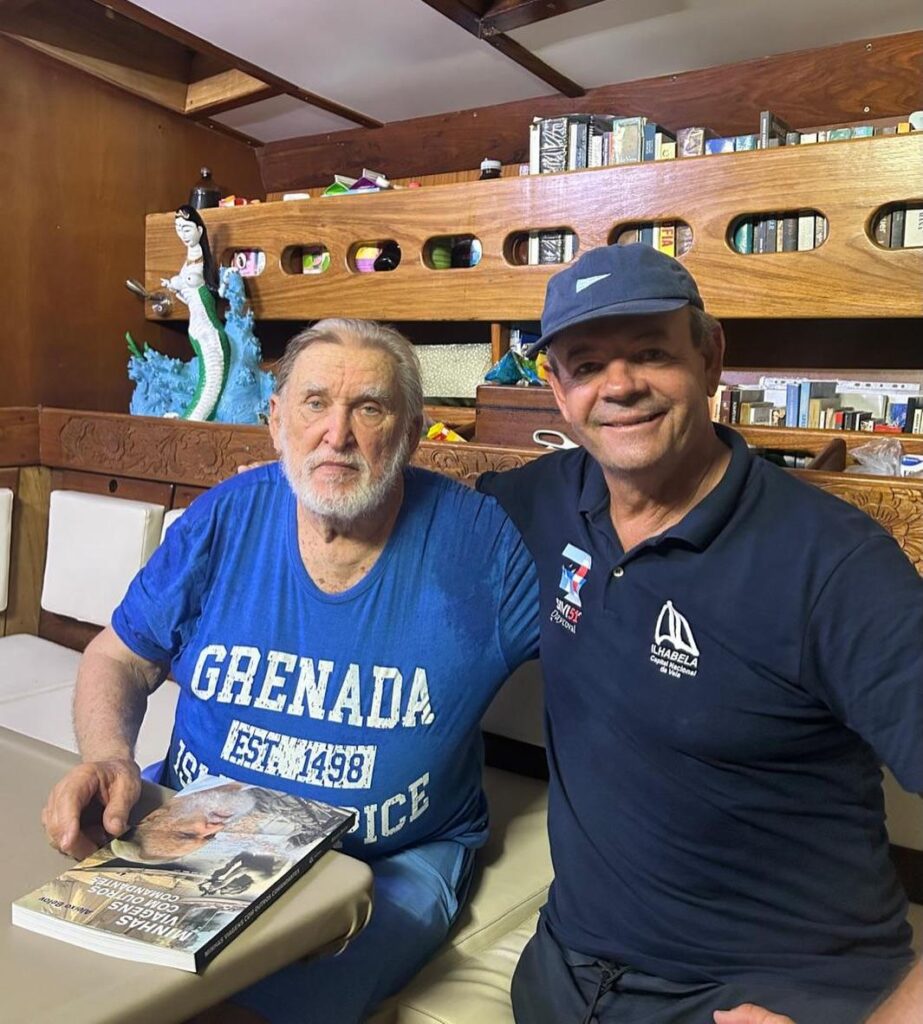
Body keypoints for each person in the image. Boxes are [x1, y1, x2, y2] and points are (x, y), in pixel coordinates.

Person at [42, 317, 538, 1024]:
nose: (337, 434)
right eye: (314, 403)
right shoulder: (225, 518)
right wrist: (108, 756)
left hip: (379, 861)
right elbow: (118, 656)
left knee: (240, 1008)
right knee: (67, 971)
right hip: (191, 822)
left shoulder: (481, 545)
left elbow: (614, 659)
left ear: (411, 433)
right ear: (276, 422)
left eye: (369, 408)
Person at [478, 243, 923, 1024]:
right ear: (556, 388)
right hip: (563, 972)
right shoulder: (542, 499)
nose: (619, 385)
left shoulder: (834, 564)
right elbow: (390, 510)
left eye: (650, 352)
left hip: (767, 992)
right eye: (586, 365)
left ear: (710, 356)